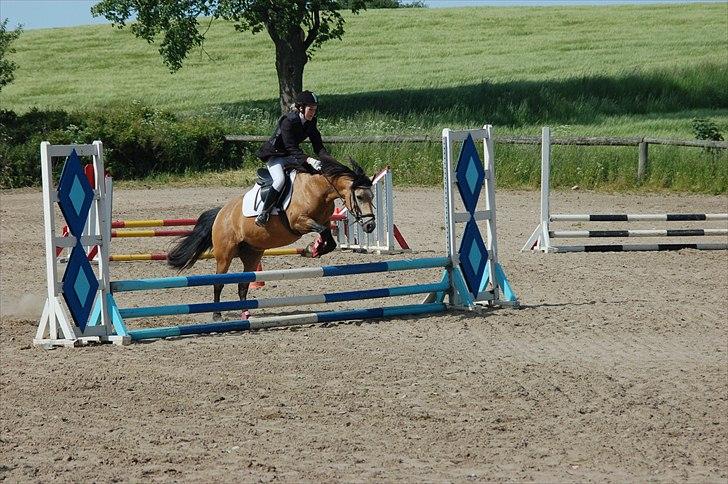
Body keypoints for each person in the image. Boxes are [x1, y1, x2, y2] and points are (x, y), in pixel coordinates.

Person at [255, 90, 336, 226]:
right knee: (280, 180)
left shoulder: (311, 122)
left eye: (315, 109)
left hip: (291, 156)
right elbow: (291, 147)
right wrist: (309, 159)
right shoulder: (288, 122)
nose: (313, 113)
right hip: (276, 156)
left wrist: (329, 161)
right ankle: (264, 213)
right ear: (301, 108)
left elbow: (319, 147)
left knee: (313, 173)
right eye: (311, 109)